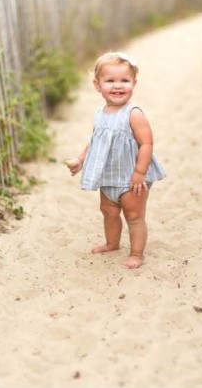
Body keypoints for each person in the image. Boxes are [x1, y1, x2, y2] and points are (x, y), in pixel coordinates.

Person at [66, 51, 166, 269]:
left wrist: (139, 173)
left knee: (134, 215)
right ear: (97, 84)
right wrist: (80, 159)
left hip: (131, 178)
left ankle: (137, 253)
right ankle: (112, 243)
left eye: (124, 80)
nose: (118, 86)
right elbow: (96, 141)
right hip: (108, 176)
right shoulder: (100, 113)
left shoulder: (134, 113)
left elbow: (147, 144)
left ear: (134, 83)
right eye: (110, 80)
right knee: (109, 212)